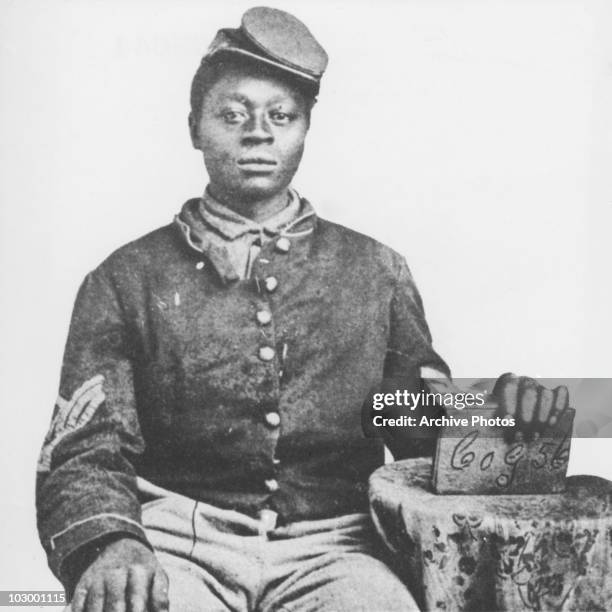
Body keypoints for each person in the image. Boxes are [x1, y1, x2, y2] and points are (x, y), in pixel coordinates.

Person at [36, 7, 570, 612]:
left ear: (305, 129)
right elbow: (86, 449)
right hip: (176, 546)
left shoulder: (376, 271)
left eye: (281, 116)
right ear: (193, 127)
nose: (257, 133)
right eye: (232, 114)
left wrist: (502, 421)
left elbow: (413, 424)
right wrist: (108, 542)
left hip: (339, 548)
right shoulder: (125, 278)